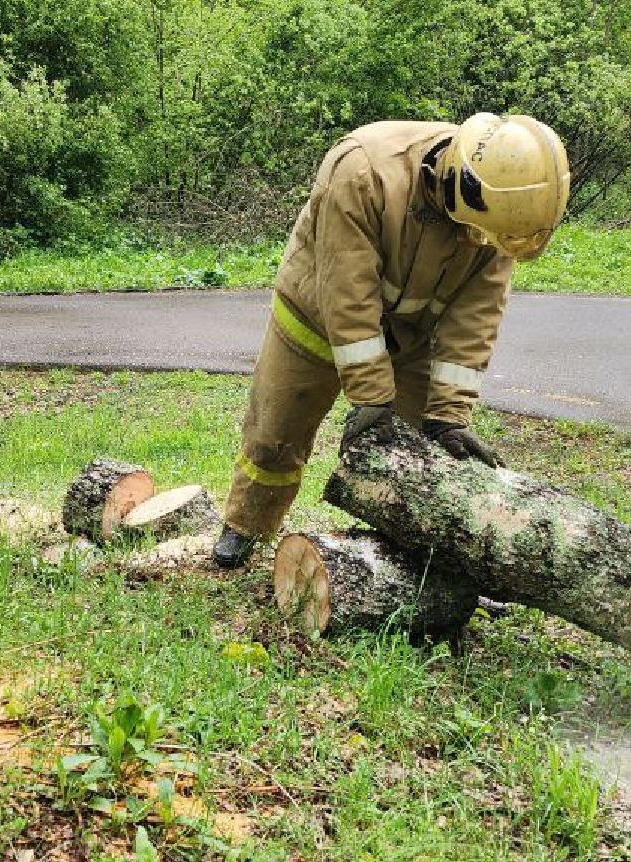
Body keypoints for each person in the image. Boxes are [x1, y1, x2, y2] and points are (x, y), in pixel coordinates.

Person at [211, 113, 572, 569]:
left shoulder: (497, 215)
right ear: (462, 184)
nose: (476, 243)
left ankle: (407, 559)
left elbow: (475, 316)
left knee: (418, 455)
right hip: (317, 314)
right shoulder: (362, 170)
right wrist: (372, 396)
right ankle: (246, 525)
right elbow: (348, 293)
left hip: (412, 333)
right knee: (276, 432)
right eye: (476, 234)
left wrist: (448, 414)